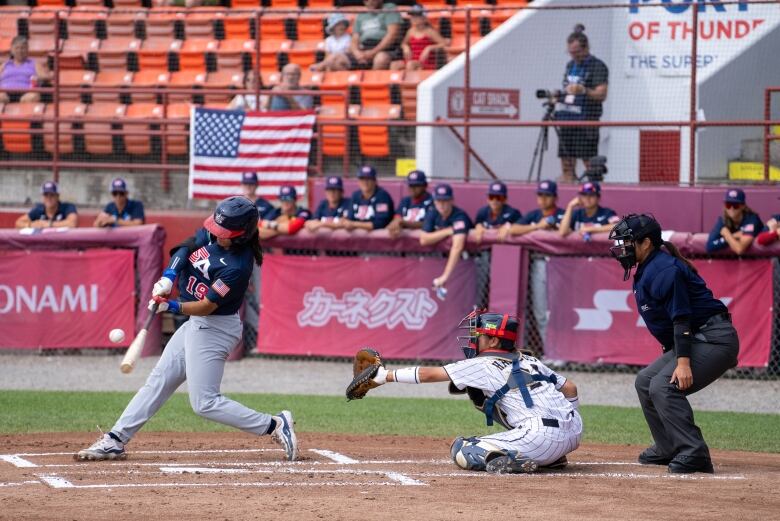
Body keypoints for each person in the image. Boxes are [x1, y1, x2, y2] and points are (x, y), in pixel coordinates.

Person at [76, 197, 298, 462]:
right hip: (197, 326)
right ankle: (115, 439)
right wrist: (169, 276)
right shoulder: (215, 233)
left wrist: (170, 306)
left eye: (223, 233)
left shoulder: (237, 267)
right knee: (159, 380)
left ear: (240, 236)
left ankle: (274, 425)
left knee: (204, 403)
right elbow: (185, 248)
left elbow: (205, 306)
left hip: (215, 329)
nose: (215, 234)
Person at [361, 310, 581, 473]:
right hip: (574, 434)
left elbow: (429, 374)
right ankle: (553, 458)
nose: (475, 339)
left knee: (463, 449)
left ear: (494, 340)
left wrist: (384, 376)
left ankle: (518, 461)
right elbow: (570, 388)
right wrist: (568, 424)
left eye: (481, 335)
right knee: (511, 408)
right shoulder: (530, 359)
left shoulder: (482, 364)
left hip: (540, 438)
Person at [609, 214, 739, 474]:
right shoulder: (649, 267)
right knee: (645, 381)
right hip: (699, 336)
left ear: (646, 243)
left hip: (714, 338)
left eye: (628, 241)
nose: (622, 248)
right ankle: (667, 446)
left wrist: (682, 363)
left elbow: (681, 317)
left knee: (662, 386)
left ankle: (694, 452)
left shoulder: (664, 269)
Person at [553, 25, 608, 183]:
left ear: (586, 48)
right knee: (566, 163)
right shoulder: (570, 65)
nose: (574, 56)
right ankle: (568, 189)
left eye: (577, 53)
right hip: (567, 119)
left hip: (586, 121)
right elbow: (566, 88)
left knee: (590, 164)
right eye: (571, 53)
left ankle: (593, 192)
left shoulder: (597, 66)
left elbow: (601, 94)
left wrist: (583, 90)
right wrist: (558, 95)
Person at [421, 183, 473, 293]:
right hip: (442, 260)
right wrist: (447, 231)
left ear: (452, 200)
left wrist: (445, 276)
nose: (442, 204)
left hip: (468, 261)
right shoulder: (433, 212)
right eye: (439, 201)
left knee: (467, 295)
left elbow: (457, 247)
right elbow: (424, 239)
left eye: (445, 200)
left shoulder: (460, 216)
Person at [346, 0, 402, 70]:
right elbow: (354, 38)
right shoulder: (361, 15)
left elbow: (392, 35)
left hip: (386, 49)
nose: (370, 2)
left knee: (381, 59)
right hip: (364, 48)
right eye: (366, 0)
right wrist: (357, 53)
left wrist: (373, 52)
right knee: (335, 61)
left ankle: (371, 80)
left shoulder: (389, 8)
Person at [706, 188, 763, 255]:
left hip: (758, 259)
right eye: (728, 205)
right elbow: (709, 246)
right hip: (732, 261)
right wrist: (733, 236)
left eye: (735, 205)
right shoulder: (722, 220)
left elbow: (739, 249)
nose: (731, 208)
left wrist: (727, 234)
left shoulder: (752, 220)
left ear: (743, 206)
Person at [393, 5, 447, 71]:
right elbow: (403, 43)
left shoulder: (430, 31)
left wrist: (429, 48)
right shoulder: (411, 31)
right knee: (394, 64)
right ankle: (396, 81)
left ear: (424, 18)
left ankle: (410, 81)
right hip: (412, 59)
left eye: (416, 16)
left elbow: (444, 43)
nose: (413, 18)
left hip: (425, 62)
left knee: (410, 64)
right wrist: (405, 47)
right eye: (412, 16)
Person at [341, 165, 395, 231]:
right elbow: (350, 218)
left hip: (379, 237)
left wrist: (354, 224)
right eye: (362, 179)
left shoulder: (382, 196)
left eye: (368, 179)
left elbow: (380, 224)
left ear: (375, 181)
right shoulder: (355, 195)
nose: (365, 182)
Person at [0, 36, 51, 104]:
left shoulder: (34, 63)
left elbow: (45, 77)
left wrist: (37, 78)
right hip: (5, 93)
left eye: (23, 48)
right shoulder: (5, 65)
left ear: (27, 50)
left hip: (26, 93)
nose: (20, 51)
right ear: (12, 50)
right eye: (17, 48)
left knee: (33, 96)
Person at [386, 169, 432, 239]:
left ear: (425, 186)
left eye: (416, 185)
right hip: (405, 243)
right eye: (410, 185)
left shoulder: (432, 202)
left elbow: (429, 223)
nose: (412, 188)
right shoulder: (405, 201)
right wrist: (396, 223)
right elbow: (397, 218)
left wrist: (403, 223)